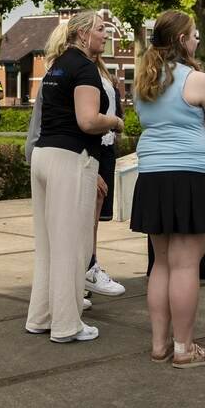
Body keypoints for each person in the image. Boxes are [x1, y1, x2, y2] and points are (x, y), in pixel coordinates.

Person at [130, 10, 205, 368]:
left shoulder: (143, 81)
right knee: (186, 265)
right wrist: (202, 123)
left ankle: (159, 345)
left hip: (152, 175)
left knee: (161, 263)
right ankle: (184, 348)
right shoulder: (198, 80)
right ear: (181, 40)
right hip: (190, 174)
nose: (198, 39)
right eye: (194, 34)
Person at [25, 11, 123, 344]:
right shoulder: (84, 69)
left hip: (43, 155)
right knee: (72, 245)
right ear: (82, 34)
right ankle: (67, 324)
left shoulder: (56, 66)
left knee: (48, 244)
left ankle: (40, 317)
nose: (105, 35)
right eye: (100, 30)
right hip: (71, 158)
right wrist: (114, 122)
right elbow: (88, 121)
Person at [85, 59, 127, 298]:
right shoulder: (77, 67)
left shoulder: (101, 69)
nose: (104, 40)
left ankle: (89, 265)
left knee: (95, 212)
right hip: (89, 147)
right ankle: (84, 269)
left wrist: (116, 122)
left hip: (106, 145)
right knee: (84, 212)